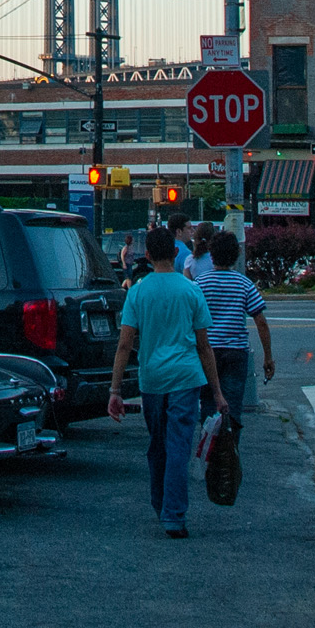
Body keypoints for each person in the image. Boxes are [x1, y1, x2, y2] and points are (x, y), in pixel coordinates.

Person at [107, 223, 222, 538]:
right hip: (186, 377)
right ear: (175, 252)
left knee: (158, 444)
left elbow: (124, 344)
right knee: (178, 445)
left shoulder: (139, 291)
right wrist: (217, 392)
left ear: (146, 254)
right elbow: (204, 346)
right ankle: (173, 515)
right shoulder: (191, 290)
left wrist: (115, 390)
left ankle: (162, 504)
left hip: (152, 379)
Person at [194, 228, 272, 426]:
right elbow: (260, 321)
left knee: (209, 402)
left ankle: (209, 448)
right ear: (236, 256)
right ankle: (229, 448)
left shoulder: (200, 284)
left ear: (211, 255)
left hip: (207, 351)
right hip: (236, 352)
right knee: (233, 404)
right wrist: (268, 356)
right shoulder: (244, 284)